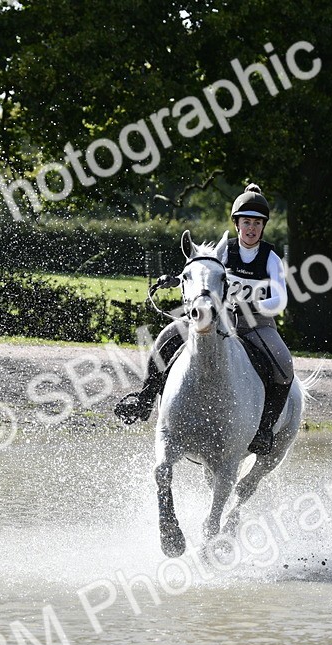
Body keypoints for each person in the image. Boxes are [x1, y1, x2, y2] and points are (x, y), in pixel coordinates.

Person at [114, 183, 295, 455]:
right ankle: (145, 399)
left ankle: (264, 429)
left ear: (263, 226)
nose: (251, 229)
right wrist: (175, 280)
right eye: (246, 222)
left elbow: (280, 300)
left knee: (284, 365)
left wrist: (248, 303)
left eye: (257, 223)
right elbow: (199, 276)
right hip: (216, 319)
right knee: (166, 336)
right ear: (236, 224)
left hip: (256, 324)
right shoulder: (222, 253)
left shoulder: (270, 258)